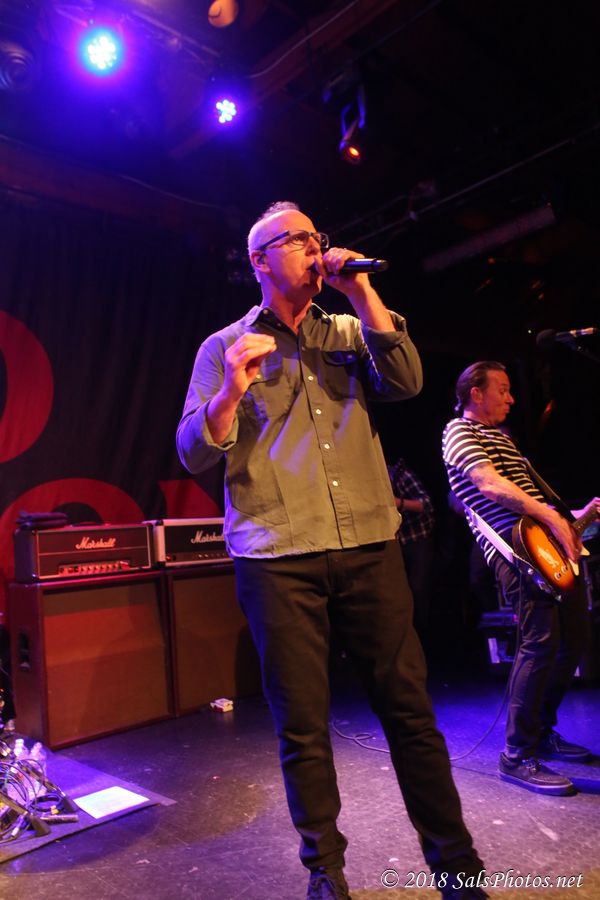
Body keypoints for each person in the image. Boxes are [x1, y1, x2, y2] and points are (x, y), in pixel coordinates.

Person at [177, 201, 487, 900]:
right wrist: (231, 389)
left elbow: (407, 381)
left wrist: (362, 289)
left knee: (410, 713)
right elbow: (194, 450)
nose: (315, 247)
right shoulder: (223, 346)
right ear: (259, 260)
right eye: (296, 239)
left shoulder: (349, 328)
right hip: (277, 557)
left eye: (316, 236)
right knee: (303, 727)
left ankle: (459, 871)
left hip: (369, 546)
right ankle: (326, 875)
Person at [442, 360, 600, 797]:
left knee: (574, 640)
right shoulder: (460, 431)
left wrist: (579, 517)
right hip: (515, 551)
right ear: (476, 393)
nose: (512, 399)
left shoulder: (503, 440)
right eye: (504, 389)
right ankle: (516, 755)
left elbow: (535, 499)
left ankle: (541, 731)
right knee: (540, 642)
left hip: (545, 546)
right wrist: (551, 515)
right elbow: (489, 486)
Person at [387, 457, 435, 638]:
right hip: (395, 541)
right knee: (398, 591)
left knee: (418, 588)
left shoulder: (401, 476)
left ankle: (422, 635)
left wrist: (398, 502)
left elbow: (426, 504)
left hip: (418, 537)